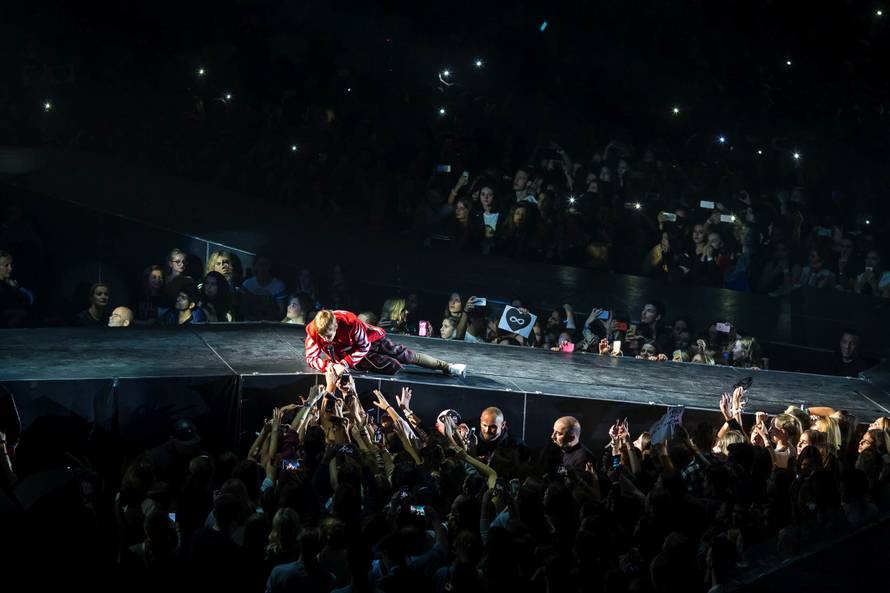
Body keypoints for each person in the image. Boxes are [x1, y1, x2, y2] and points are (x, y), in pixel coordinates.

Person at [304, 309, 466, 377]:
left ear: (336, 326)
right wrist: (331, 366)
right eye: (322, 336)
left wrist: (345, 363)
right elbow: (310, 358)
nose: (326, 339)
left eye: (329, 335)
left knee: (406, 355)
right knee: (392, 366)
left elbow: (364, 346)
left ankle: (448, 367)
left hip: (368, 342)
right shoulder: (313, 331)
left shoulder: (350, 322)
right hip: (348, 354)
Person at [241, 254, 288, 321]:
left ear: (270, 266)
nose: (262, 267)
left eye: (265, 264)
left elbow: (282, 311)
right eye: (260, 264)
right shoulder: (247, 285)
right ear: (255, 266)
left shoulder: (278, 286)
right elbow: (243, 309)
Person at [0, 250, 31, 327]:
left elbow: (29, 299)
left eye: (10, 265)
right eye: (6, 265)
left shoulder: (9, 284)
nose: (10, 268)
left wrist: (16, 288)